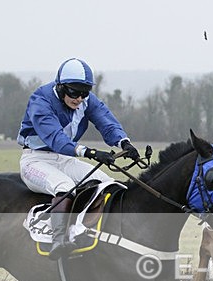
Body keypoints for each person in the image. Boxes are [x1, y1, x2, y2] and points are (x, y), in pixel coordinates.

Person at [17, 57, 140, 260]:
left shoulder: (86, 100)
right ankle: (58, 241)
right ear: (61, 86)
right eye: (74, 92)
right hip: (35, 160)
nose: (79, 98)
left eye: (84, 92)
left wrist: (124, 143)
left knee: (109, 184)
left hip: (64, 160)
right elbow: (57, 140)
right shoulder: (41, 100)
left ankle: (90, 233)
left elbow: (107, 122)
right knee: (64, 185)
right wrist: (91, 153)